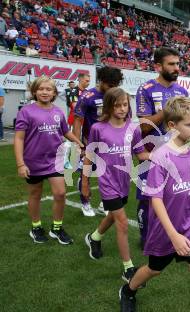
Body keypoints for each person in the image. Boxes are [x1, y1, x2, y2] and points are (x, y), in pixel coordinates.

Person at [119, 97, 190, 312]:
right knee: (154, 269)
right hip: (165, 229)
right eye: (189, 124)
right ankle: (129, 290)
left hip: (189, 224)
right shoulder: (161, 155)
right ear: (171, 126)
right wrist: (174, 235)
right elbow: (155, 199)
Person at [82, 87, 150, 282]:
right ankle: (128, 268)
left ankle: (94, 238)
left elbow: (141, 154)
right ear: (109, 106)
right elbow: (89, 156)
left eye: (125, 104)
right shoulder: (98, 128)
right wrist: (85, 183)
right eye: (117, 105)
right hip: (107, 183)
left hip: (123, 182)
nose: (121, 109)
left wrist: (162, 155)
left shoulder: (133, 128)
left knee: (113, 216)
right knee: (122, 222)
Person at [13, 76, 83, 244]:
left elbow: (66, 132)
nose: (45, 92)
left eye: (48, 89)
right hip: (32, 162)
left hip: (55, 160)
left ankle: (56, 228)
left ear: (54, 93)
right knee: (35, 194)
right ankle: (36, 227)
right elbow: (19, 139)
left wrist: (79, 142)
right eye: (41, 89)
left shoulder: (58, 111)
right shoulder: (26, 111)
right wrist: (20, 164)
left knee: (60, 193)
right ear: (35, 91)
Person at [135, 47, 188, 249]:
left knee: (174, 196)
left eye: (177, 63)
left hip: (174, 155)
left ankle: (172, 233)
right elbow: (144, 127)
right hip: (150, 155)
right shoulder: (146, 89)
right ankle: (145, 235)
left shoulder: (181, 91)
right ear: (159, 66)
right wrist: (167, 110)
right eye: (171, 64)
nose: (176, 68)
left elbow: (185, 124)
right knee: (147, 199)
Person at [73, 66, 124, 217]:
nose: (112, 89)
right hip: (90, 143)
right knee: (87, 172)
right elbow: (77, 121)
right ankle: (85, 202)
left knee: (110, 173)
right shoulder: (87, 96)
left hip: (109, 144)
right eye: (110, 85)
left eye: (115, 85)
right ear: (101, 81)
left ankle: (104, 204)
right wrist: (79, 144)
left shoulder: (115, 95)